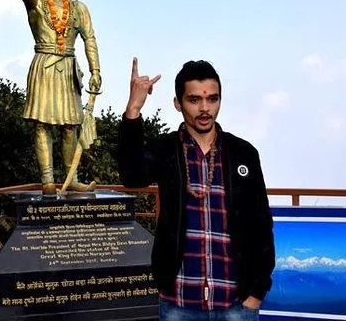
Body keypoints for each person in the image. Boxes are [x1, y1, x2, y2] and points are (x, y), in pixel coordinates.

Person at [117, 58, 275, 320]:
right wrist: (133, 109)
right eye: (194, 100)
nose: (205, 108)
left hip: (236, 304)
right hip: (178, 302)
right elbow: (132, 176)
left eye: (212, 99)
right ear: (178, 103)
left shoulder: (243, 153)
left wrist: (256, 293)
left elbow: (261, 224)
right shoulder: (166, 149)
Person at [12, 0, 101, 195]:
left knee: (70, 126)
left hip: (69, 68)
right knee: (42, 125)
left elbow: (89, 38)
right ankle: (48, 180)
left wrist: (95, 70)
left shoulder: (78, 8)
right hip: (44, 65)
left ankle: (71, 179)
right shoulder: (37, 4)